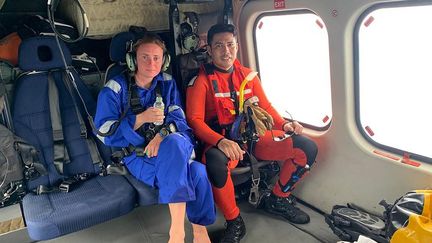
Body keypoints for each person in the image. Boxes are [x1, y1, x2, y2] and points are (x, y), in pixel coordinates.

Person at [186, 24, 318, 243]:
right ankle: (235, 221)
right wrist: (220, 141)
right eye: (219, 45)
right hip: (223, 142)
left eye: (230, 44)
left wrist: (284, 125)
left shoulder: (248, 76)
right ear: (209, 49)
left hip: (253, 138)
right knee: (214, 162)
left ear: (237, 47)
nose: (225, 51)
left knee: (307, 147)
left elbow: (266, 108)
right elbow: (195, 121)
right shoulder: (200, 82)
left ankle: (277, 199)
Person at [94, 33, 216, 243]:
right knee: (197, 170)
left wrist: (161, 135)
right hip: (139, 157)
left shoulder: (167, 83)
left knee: (176, 142)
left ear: (164, 60)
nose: (151, 63)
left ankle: (183, 232)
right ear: (133, 60)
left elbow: (180, 120)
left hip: (172, 150)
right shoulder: (114, 89)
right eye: (145, 57)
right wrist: (138, 119)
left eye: (157, 58)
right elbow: (104, 134)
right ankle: (191, 231)